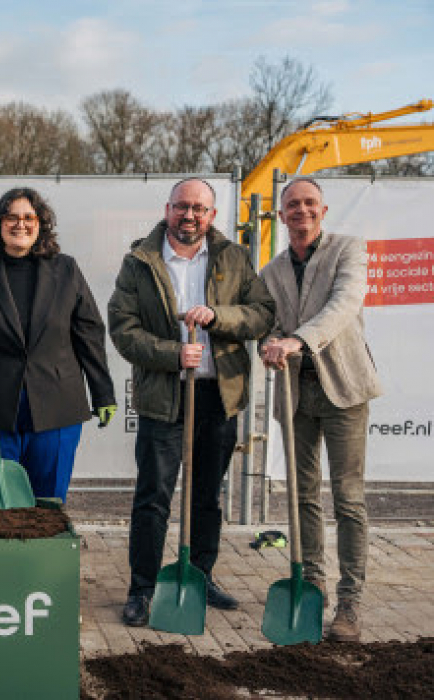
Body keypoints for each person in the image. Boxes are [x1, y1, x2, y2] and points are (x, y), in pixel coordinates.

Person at [108, 177, 275, 627]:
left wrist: (219, 316)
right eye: (182, 207)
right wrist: (171, 354)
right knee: (153, 497)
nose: (190, 216)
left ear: (212, 215)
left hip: (217, 396)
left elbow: (262, 313)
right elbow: (122, 328)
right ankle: (141, 589)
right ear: (168, 209)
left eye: (199, 209)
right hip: (165, 395)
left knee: (207, 497)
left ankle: (200, 575)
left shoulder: (233, 258)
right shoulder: (140, 261)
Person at [260, 177, 381, 642]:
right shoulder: (270, 271)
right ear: (281, 214)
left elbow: (344, 303)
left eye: (310, 203)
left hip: (344, 389)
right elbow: (266, 326)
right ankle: (313, 584)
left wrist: (296, 339)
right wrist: (269, 344)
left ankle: (350, 602)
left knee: (348, 499)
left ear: (322, 211)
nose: (302, 211)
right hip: (296, 394)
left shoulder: (347, 250)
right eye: (293, 205)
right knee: (301, 494)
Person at [0, 187, 117, 502]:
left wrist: (102, 392)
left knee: (47, 503)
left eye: (28, 217)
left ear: (40, 224)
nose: (20, 224)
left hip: (55, 408)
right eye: (11, 217)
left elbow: (88, 333)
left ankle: (43, 554)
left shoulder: (65, 270)